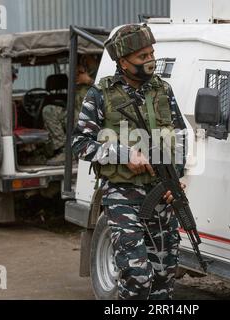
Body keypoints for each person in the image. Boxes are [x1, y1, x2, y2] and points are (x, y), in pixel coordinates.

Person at [72, 24, 187, 300]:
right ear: (123, 62)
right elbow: (80, 143)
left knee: (163, 279)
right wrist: (124, 154)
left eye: (151, 53)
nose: (150, 61)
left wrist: (177, 178)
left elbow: (180, 136)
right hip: (123, 197)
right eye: (142, 56)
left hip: (162, 196)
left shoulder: (163, 91)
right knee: (137, 277)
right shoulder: (101, 95)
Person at [43, 55, 100, 166]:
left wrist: (89, 81)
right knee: (49, 110)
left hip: (93, 120)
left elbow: (110, 93)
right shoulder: (80, 79)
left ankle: (69, 153)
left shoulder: (103, 71)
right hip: (77, 115)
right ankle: (63, 150)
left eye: (86, 60)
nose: (84, 64)